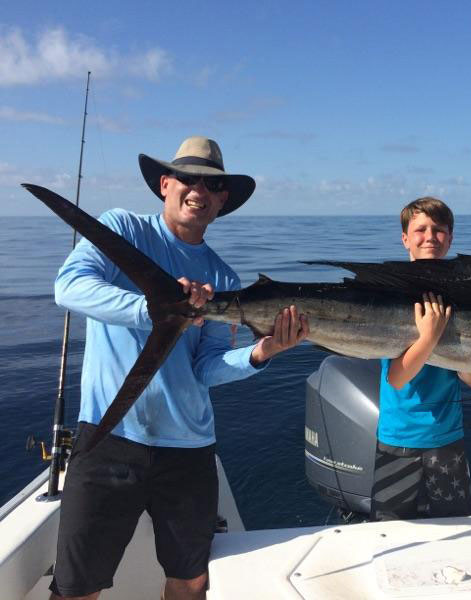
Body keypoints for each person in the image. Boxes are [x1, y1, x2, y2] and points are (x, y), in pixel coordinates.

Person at [49, 136, 309, 600]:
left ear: (222, 199)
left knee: (190, 581)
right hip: (110, 438)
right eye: (187, 178)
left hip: (188, 449)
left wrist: (259, 354)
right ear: (165, 184)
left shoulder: (223, 277)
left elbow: (207, 368)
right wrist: (152, 308)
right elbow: (69, 288)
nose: (199, 189)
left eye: (212, 184)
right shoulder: (123, 229)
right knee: (77, 588)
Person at [369, 196, 471, 521]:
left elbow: (469, 379)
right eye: (420, 229)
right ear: (405, 238)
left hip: (447, 438)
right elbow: (396, 378)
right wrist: (430, 336)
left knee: (456, 526)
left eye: (439, 229)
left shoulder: (464, 295)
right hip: (398, 438)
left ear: (450, 239)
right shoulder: (394, 293)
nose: (430, 236)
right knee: (389, 532)